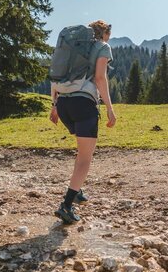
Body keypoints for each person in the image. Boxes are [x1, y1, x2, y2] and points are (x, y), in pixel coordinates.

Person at [50, 20, 117, 224]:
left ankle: (77, 189)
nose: (109, 39)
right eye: (109, 35)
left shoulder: (72, 47)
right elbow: (99, 78)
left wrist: (54, 105)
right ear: (105, 33)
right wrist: (110, 108)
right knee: (85, 159)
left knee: (81, 152)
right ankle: (67, 205)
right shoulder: (102, 47)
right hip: (83, 104)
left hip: (63, 105)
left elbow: (56, 75)